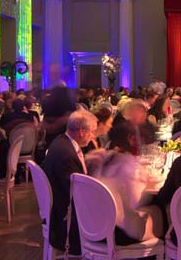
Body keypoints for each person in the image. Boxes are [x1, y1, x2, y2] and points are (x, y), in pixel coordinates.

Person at [85, 121, 162, 244]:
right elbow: (135, 202)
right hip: (120, 233)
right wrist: (148, 185)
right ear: (131, 139)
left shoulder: (105, 157)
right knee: (161, 212)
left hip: (95, 224)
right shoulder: (129, 165)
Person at [43, 109, 97, 254]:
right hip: (67, 223)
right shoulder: (66, 155)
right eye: (92, 132)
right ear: (81, 131)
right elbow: (79, 195)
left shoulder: (62, 141)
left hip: (59, 210)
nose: (93, 136)